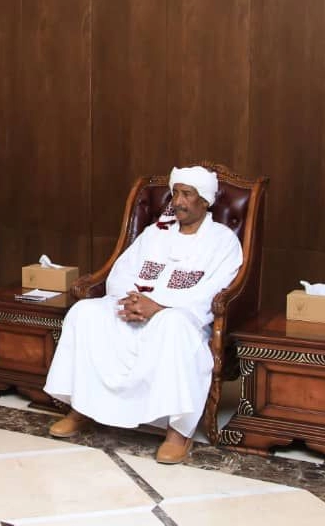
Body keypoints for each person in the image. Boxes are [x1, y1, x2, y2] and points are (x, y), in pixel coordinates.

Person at [43, 166, 242, 463]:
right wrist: (132, 301)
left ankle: (178, 432)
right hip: (134, 308)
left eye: (187, 194)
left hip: (181, 316)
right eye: (175, 193)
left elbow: (215, 291)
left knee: (173, 326)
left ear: (205, 201)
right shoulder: (154, 233)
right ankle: (82, 407)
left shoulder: (222, 241)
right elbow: (121, 272)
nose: (178, 201)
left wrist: (158, 306)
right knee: (84, 313)